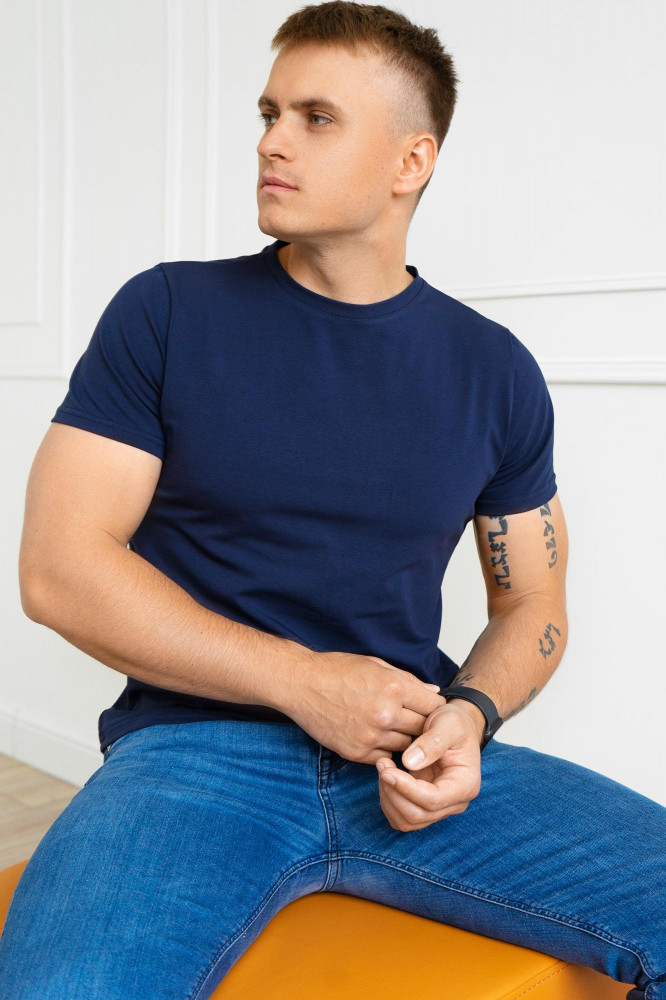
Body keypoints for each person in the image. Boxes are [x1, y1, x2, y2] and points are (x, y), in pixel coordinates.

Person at [1, 3, 664, 998]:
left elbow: (533, 602)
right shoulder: (168, 311)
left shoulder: (495, 371)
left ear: (411, 161)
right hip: (192, 755)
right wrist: (306, 682)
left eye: (316, 118)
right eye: (269, 113)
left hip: (405, 755)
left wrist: (470, 717)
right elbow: (60, 567)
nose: (271, 141)